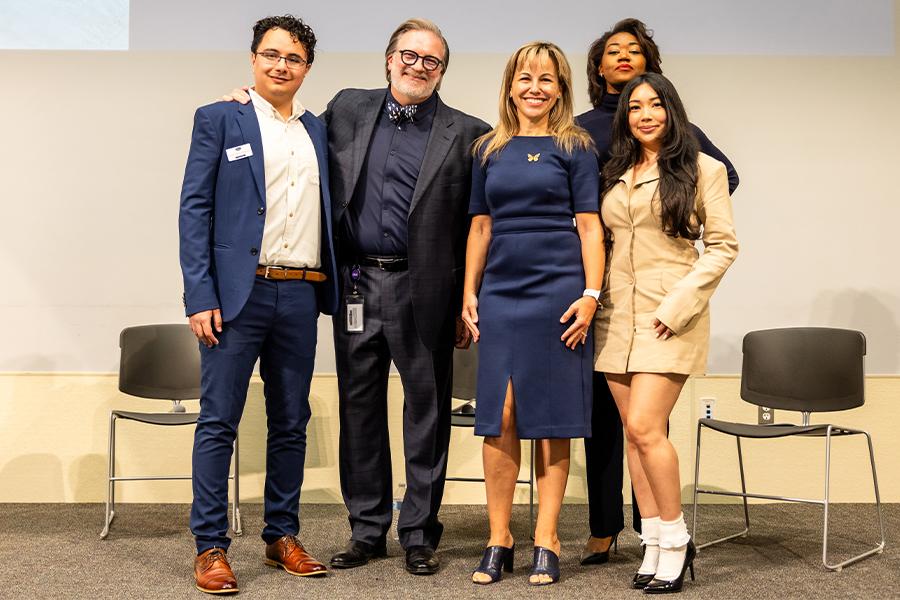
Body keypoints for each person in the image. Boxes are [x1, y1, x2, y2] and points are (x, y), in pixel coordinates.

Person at [179, 15, 338, 595]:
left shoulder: (319, 129)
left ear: (306, 69)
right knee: (218, 420)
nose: (280, 66)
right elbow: (194, 210)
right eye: (271, 55)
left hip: (299, 290)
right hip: (234, 296)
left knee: (291, 421)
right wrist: (200, 294)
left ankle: (281, 536)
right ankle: (211, 546)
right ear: (252, 59)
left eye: (293, 59)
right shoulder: (220, 117)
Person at [574, 17, 740, 567]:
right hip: (614, 313)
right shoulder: (616, 167)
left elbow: (720, 247)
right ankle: (653, 544)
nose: (646, 115)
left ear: (672, 110)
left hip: (669, 313)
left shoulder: (701, 168)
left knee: (647, 427)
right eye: (636, 109)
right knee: (633, 435)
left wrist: (681, 304)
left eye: (656, 106)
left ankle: (674, 539)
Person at [461, 41, 604, 586]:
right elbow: (480, 226)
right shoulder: (487, 149)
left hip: (560, 289)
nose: (535, 88)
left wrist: (590, 294)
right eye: (525, 78)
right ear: (510, 85)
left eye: (547, 79)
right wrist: (469, 293)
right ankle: (500, 536)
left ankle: (547, 536)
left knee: (552, 417)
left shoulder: (577, 147)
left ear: (561, 88)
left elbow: (589, 226)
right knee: (501, 416)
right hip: (501, 288)